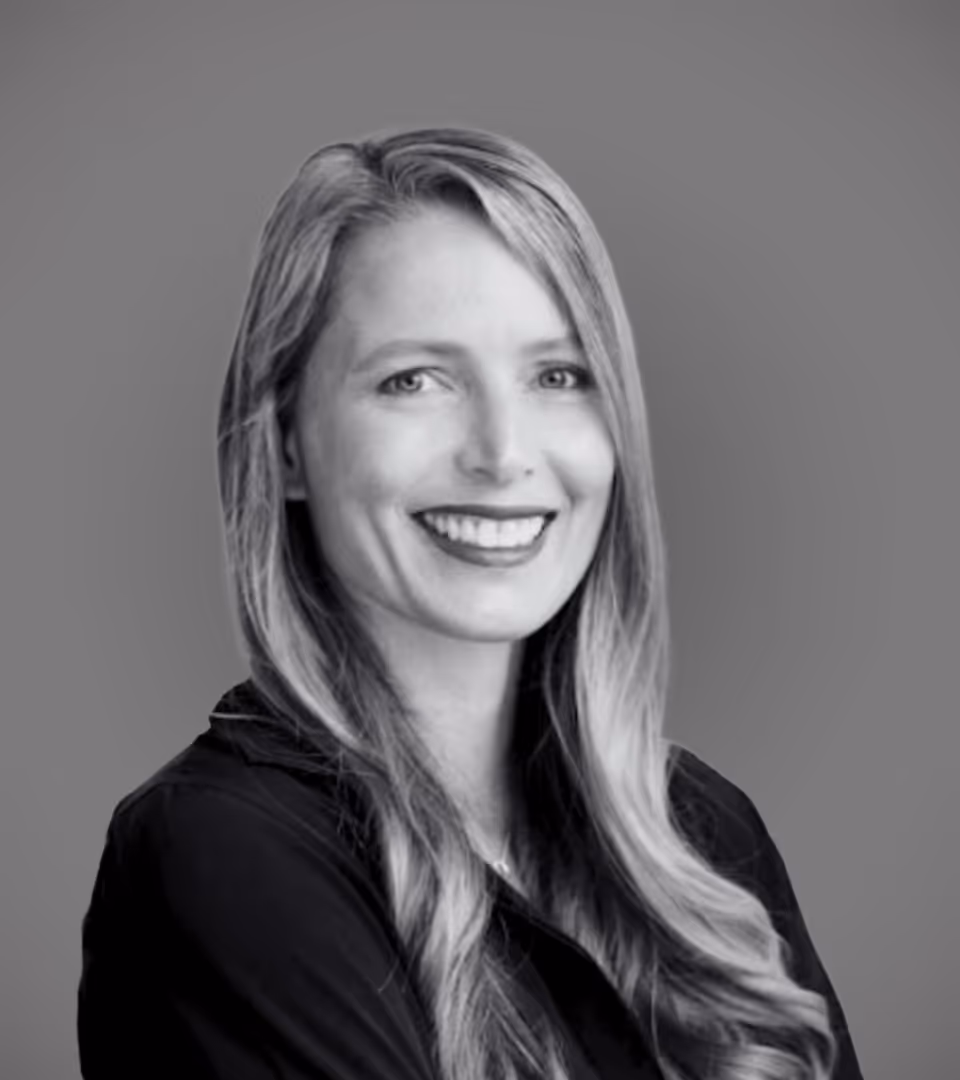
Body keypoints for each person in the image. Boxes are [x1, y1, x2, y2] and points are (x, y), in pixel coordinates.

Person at [77, 126, 863, 1080]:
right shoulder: (219, 854)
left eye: (559, 376)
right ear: (284, 446)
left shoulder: (701, 832)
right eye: (415, 380)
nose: (502, 452)